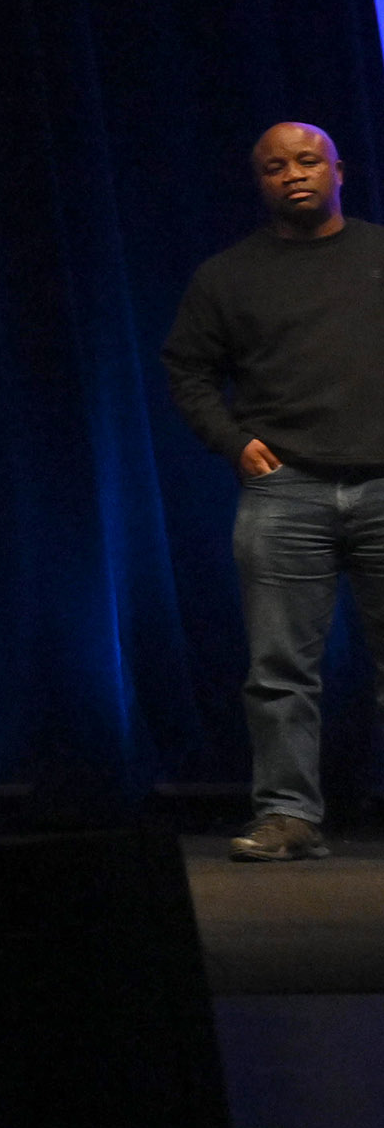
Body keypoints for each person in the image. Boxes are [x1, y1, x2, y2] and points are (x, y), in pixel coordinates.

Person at [162, 122, 384, 862]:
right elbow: (187, 370)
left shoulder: (379, 254)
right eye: (274, 167)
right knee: (280, 670)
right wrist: (233, 441)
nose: (292, 174)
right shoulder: (229, 277)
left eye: (306, 161)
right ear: (259, 182)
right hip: (287, 493)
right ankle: (289, 815)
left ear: (338, 169)